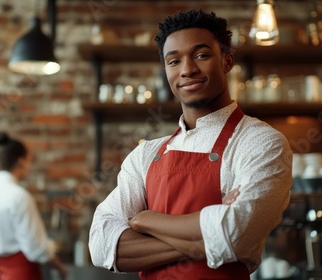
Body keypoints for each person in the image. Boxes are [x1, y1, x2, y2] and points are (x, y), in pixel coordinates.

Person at [88, 9, 292, 280]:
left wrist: (145, 221)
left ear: (227, 61)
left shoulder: (260, 142)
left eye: (201, 55)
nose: (187, 70)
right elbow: (101, 245)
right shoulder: (145, 154)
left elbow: (235, 235)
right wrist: (203, 241)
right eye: (173, 61)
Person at [0, 132, 67, 280]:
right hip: (22, 274)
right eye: (29, 161)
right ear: (21, 161)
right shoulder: (20, 197)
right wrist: (62, 269)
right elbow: (37, 249)